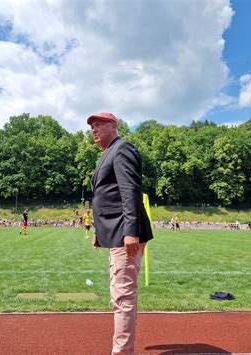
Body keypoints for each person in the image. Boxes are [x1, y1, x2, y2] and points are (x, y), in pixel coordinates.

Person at [88, 112, 153, 354]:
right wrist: (99, 232)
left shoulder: (122, 148)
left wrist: (130, 232)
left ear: (113, 126)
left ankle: (122, 351)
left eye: (98, 125)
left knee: (123, 296)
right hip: (114, 232)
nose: (93, 130)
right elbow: (107, 197)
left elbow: (129, 191)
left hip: (125, 233)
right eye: (91, 127)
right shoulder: (108, 153)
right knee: (120, 294)